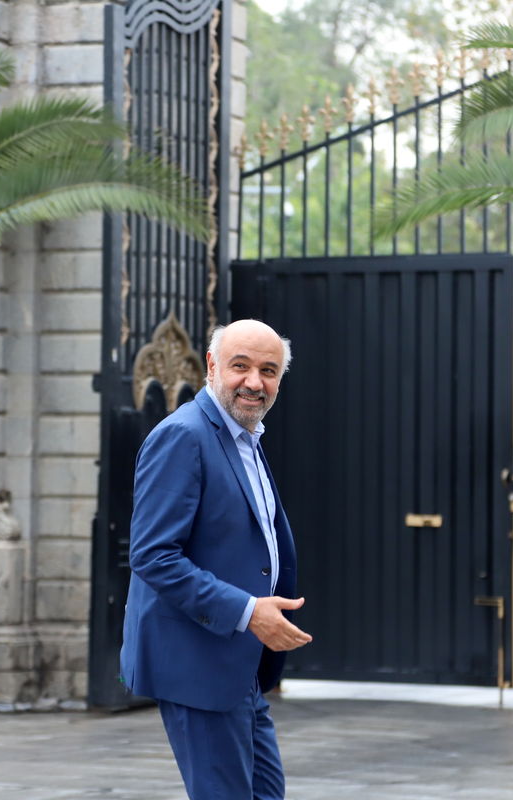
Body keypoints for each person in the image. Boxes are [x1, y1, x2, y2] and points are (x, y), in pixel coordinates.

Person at [120, 318, 312, 800]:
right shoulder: (183, 436)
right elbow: (153, 555)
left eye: (268, 371)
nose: (254, 382)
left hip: (238, 665)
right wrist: (247, 612)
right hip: (197, 664)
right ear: (211, 366)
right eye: (240, 366)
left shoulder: (245, 436)